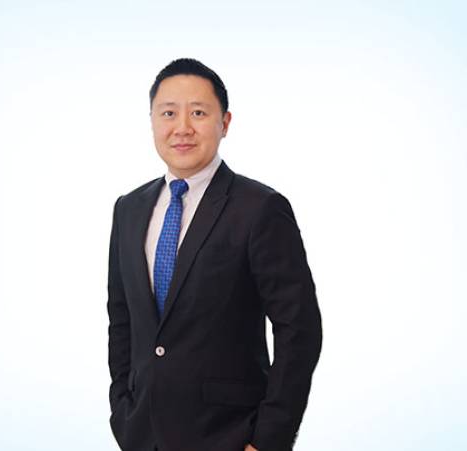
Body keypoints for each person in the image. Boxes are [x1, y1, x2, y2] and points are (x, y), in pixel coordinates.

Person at [106, 58, 322, 451]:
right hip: (143, 435)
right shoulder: (129, 208)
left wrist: (268, 440)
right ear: (152, 121)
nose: (182, 127)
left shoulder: (259, 208)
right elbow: (122, 319)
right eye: (168, 113)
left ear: (225, 122)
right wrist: (122, 407)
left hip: (230, 435)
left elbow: (299, 330)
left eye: (198, 113)